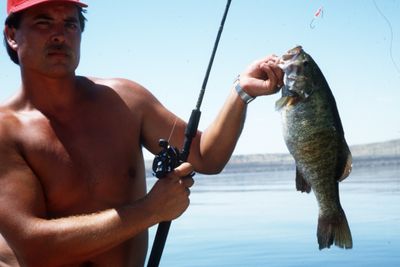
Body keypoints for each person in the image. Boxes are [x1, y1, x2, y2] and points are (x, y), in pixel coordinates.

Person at [0, 0, 284, 266]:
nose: (60, 35)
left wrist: (242, 93)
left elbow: (205, 156)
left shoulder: (127, 100)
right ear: (12, 35)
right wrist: (151, 210)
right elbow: (34, 248)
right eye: (43, 23)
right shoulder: (6, 130)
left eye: (70, 24)